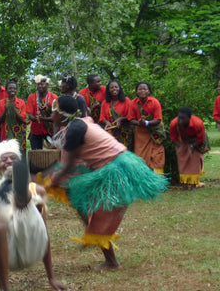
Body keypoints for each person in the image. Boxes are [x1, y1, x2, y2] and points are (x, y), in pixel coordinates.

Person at [47, 96, 168, 269]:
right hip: (117, 163)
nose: (51, 114)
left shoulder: (75, 130)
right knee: (81, 202)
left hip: (115, 169)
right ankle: (96, 238)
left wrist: (52, 182)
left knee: (97, 214)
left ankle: (107, 254)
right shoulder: (83, 119)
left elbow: (68, 166)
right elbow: (82, 103)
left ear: (61, 114)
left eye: (53, 111)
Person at [0, 139, 67, 291]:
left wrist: (51, 278)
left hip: (32, 246)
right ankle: (5, 289)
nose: (9, 160)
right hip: (9, 253)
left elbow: (43, 232)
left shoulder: (39, 191)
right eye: (4, 159)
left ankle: (23, 196)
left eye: (13, 158)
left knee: (30, 195)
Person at [128, 82, 166, 175]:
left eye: (145, 89)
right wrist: (140, 123)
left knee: (157, 155)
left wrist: (146, 123)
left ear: (149, 91)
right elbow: (131, 119)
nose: (142, 91)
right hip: (141, 134)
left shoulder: (154, 102)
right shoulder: (133, 103)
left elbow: (158, 119)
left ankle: (158, 182)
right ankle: (144, 181)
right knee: (141, 156)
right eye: (140, 89)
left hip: (155, 131)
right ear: (136, 92)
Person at [170, 107, 210, 191]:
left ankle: (193, 185)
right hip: (182, 141)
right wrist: (181, 147)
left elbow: (200, 139)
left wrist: (192, 146)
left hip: (196, 142)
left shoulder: (198, 123)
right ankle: (184, 185)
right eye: (179, 117)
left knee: (194, 162)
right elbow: (173, 138)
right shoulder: (174, 123)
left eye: (183, 118)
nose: (180, 120)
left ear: (189, 117)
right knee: (182, 162)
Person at [0, 80, 27, 162]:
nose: (12, 90)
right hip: (5, 135)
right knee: (8, 158)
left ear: (16, 90)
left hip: (19, 136)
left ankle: (20, 174)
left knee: (20, 157)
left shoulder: (21, 102)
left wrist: (13, 109)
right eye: (10, 88)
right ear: (6, 90)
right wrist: (5, 110)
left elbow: (22, 120)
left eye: (14, 88)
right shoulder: (2, 103)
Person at [26, 75, 58, 150]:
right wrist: (33, 118)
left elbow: (55, 117)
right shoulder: (31, 97)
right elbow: (29, 114)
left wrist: (42, 118)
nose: (40, 86)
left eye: (42, 84)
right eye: (38, 84)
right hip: (35, 129)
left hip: (50, 130)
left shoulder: (54, 98)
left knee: (53, 153)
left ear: (47, 85)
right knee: (36, 154)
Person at [99, 81, 133, 150]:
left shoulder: (126, 100)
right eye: (111, 87)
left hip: (125, 132)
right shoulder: (105, 102)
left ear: (119, 88)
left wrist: (121, 119)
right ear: (108, 90)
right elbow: (102, 117)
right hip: (111, 133)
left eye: (116, 87)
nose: (114, 89)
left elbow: (131, 116)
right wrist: (107, 122)